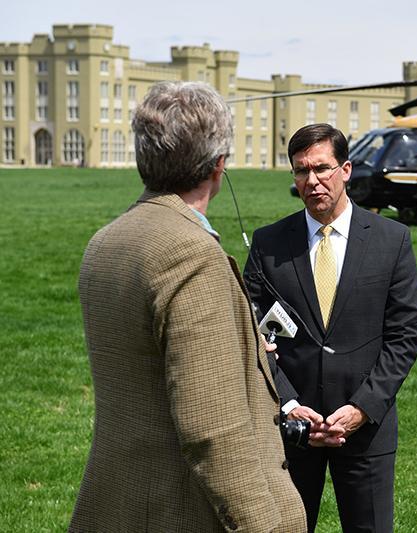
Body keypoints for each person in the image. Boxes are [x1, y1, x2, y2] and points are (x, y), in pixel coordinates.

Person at [70, 81, 306, 532]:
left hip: (119, 500)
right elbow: (213, 430)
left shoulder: (106, 242)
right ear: (219, 165)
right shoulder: (189, 254)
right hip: (178, 509)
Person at [244, 123, 417, 532]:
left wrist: (362, 407)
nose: (312, 181)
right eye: (301, 171)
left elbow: (405, 335)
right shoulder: (269, 243)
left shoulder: (391, 240)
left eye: (322, 168)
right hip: (290, 431)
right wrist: (288, 405)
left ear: (346, 169)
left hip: (366, 431)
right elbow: (248, 332)